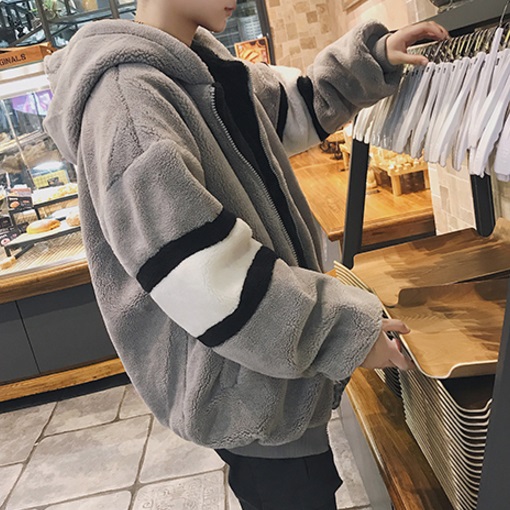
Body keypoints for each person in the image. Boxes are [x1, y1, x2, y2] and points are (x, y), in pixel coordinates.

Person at [43, 2, 448, 508]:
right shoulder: (129, 104)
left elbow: (296, 105)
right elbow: (205, 277)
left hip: (265, 365)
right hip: (247, 383)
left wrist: (374, 57)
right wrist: (341, 333)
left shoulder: (195, 65)